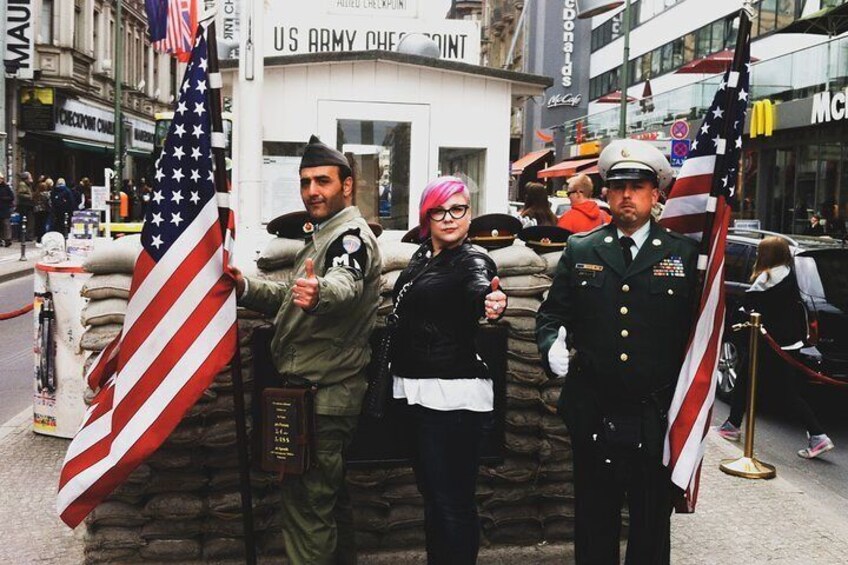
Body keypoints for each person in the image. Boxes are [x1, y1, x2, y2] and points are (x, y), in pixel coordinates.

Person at [536, 139, 696, 564]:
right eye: (619, 185)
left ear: (656, 192)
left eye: (639, 185)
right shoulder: (582, 249)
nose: (628, 195)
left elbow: (697, 330)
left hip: (654, 413)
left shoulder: (682, 255)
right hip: (594, 407)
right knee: (594, 518)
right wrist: (551, 345)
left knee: (650, 521)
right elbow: (551, 316)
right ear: (605, 193)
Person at [229, 134, 382, 565]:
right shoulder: (321, 236)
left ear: (347, 185)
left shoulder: (349, 238)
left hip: (324, 397)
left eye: (323, 181)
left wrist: (321, 294)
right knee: (327, 504)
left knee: (306, 512)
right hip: (317, 393)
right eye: (305, 182)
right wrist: (243, 287)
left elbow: (343, 286)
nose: (312, 191)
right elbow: (289, 300)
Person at [390, 177, 507, 565]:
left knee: (452, 501)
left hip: (454, 396)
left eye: (458, 208)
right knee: (434, 497)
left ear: (469, 214)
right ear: (427, 217)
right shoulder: (423, 256)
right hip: (417, 389)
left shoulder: (472, 260)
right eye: (439, 210)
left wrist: (489, 302)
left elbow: (479, 289)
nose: (449, 217)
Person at [718, 237, 834, 459]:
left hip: (768, 343)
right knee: (748, 380)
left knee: (782, 391)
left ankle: (818, 435)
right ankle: (732, 424)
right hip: (788, 343)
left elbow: (750, 306)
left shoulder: (766, 278)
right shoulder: (791, 275)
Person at [16, 171, 35, 240]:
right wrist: (30, 196)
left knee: (28, 221)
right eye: (30, 177)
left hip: (27, 205)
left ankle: (25, 236)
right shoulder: (22, 184)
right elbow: (20, 194)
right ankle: (23, 236)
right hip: (24, 205)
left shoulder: (28, 184)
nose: (31, 178)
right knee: (24, 221)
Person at [33, 174, 51, 242]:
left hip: (36, 210)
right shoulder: (46, 194)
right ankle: (43, 237)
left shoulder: (36, 194)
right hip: (44, 210)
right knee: (44, 224)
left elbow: (33, 201)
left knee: (38, 224)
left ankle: (38, 237)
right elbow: (49, 202)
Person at [0, 174, 13, 246]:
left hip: (5, 209)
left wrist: (3, 198)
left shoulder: (6, 187)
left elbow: (12, 197)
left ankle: (8, 239)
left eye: (0, 179)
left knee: (6, 224)